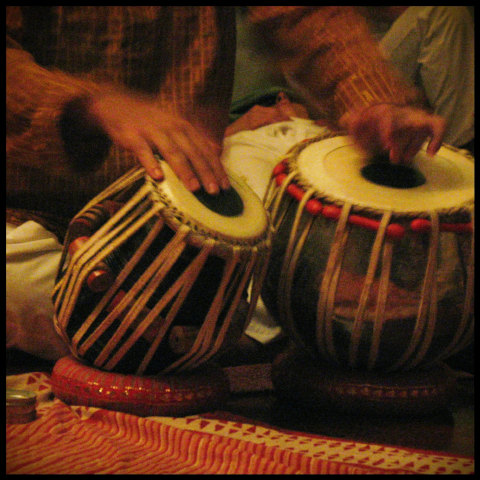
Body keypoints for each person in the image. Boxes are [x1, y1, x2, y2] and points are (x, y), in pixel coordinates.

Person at [7, 6, 446, 361]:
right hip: (28, 215)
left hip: (198, 203)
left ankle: (189, 321)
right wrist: (90, 105)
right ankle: (227, 324)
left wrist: (370, 99)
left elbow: (303, 16)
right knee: (18, 284)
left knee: (304, 172)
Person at [361, 6, 474, 152]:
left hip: (384, 33)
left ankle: (452, 154)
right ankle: (452, 152)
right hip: (357, 46)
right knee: (442, 13)